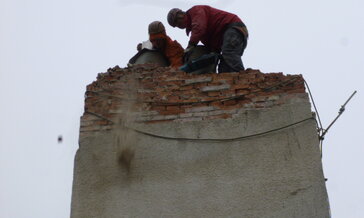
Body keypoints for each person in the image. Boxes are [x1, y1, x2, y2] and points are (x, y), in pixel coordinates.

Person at [167, 5, 248, 73]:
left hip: (232, 28)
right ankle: (234, 85)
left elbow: (199, 28)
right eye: (176, 25)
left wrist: (190, 46)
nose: (179, 26)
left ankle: (243, 78)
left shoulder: (196, 11)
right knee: (224, 67)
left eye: (178, 22)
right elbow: (214, 46)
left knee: (229, 53)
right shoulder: (200, 34)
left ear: (181, 15)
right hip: (228, 35)